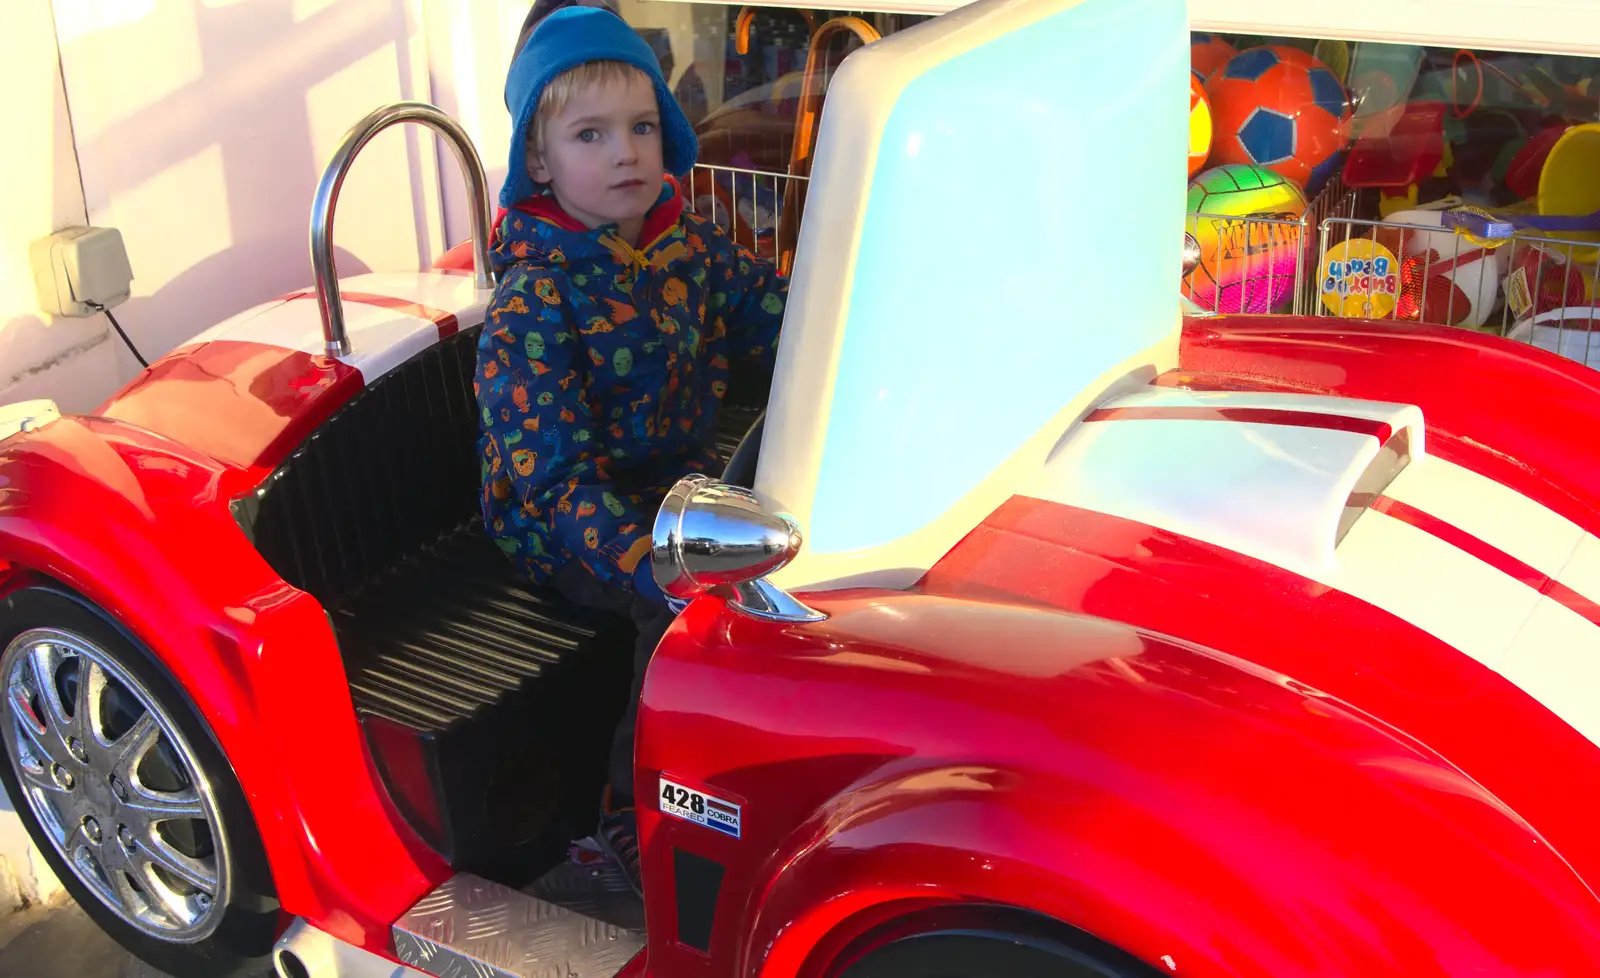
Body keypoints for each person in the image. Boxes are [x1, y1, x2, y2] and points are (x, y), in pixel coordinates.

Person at [476, 5, 787, 893]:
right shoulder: (532, 303)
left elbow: (778, 317)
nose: (627, 153)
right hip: (570, 521)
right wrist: (639, 556)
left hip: (677, 482)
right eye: (591, 134)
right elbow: (553, 477)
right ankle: (628, 817)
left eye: (643, 126)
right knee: (682, 612)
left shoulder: (685, 243)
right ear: (539, 162)